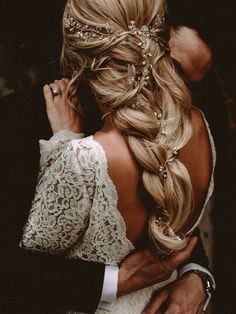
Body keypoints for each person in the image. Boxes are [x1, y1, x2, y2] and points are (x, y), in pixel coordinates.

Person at [18, 0, 215, 313]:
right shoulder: (19, 119)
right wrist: (113, 282)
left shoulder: (82, 155)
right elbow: (17, 272)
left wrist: (196, 277)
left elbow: (173, 214)